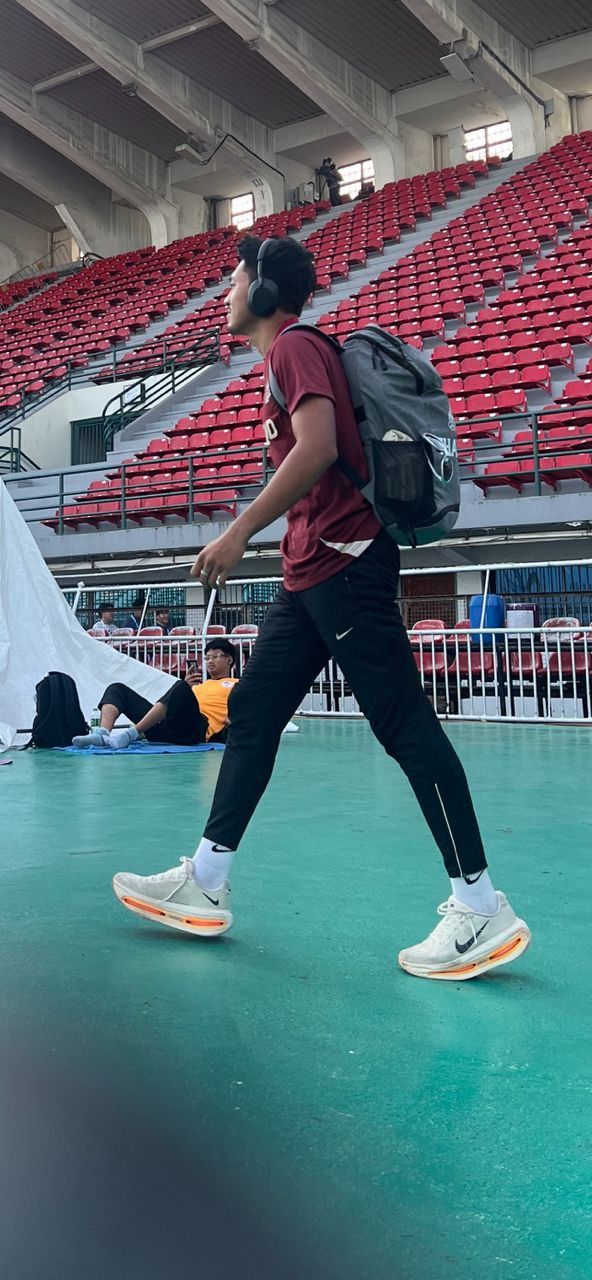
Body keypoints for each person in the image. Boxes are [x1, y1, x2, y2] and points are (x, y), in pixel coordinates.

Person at [113, 235, 531, 981]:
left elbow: (316, 448)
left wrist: (239, 531)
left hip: (344, 567)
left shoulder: (295, 347)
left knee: (405, 725)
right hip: (310, 576)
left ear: (267, 292)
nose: (228, 292)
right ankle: (205, 883)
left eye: (238, 279)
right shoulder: (288, 353)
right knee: (252, 714)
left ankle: (480, 904)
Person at [73, 641, 238, 750]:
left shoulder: (237, 684)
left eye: (215, 657)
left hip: (195, 731)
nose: (209, 662)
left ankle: (131, 734)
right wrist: (187, 687)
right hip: (168, 726)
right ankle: (102, 734)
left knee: (179, 687)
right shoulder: (197, 686)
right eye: (207, 658)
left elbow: (252, 706)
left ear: (229, 660)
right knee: (117, 689)